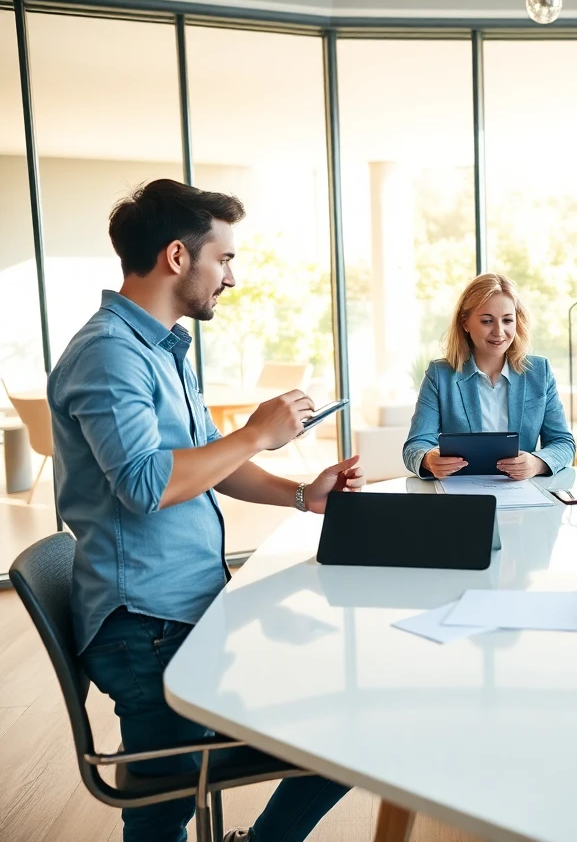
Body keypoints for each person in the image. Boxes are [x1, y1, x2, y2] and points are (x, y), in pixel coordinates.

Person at [49, 179, 362, 842]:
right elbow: (146, 484)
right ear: (176, 257)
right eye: (224, 259)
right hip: (147, 628)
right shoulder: (110, 354)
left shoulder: (161, 348)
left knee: (349, 723)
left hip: (185, 609)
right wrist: (254, 433)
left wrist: (303, 496)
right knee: (164, 815)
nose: (231, 279)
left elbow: (203, 466)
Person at [403, 273, 576, 480]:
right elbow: (415, 445)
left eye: (507, 320)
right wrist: (428, 459)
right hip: (461, 494)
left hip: (522, 495)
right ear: (465, 323)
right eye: (487, 321)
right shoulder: (440, 375)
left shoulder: (539, 372)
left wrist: (536, 464)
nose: (499, 331)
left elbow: (563, 442)